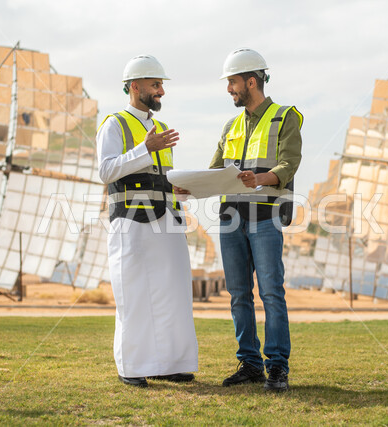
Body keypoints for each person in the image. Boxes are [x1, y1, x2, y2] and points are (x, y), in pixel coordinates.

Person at [96, 54, 198, 387]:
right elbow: (107, 170)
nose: (161, 92)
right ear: (135, 86)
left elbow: (161, 176)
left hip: (167, 220)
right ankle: (132, 367)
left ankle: (169, 363)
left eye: (161, 86)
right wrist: (145, 147)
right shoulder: (115, 123)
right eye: (156, 85)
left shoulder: (163, 129)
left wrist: (183, 190)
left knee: (174, 292)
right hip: (131, 221)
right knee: (135, 294)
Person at [209, 48, 303, 392]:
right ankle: (249, 363)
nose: (229, 89)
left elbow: (289, 164)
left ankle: (277, 366)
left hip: (265, 218)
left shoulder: (285, 117)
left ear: (251, 81)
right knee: (238, 295)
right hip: (231, 219)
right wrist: (189, 186)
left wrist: (259, 179)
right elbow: (216, 170)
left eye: (232, 82)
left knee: (271, 293)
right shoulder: (230, 125)